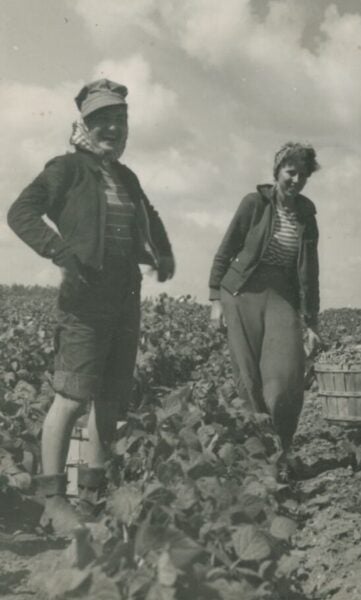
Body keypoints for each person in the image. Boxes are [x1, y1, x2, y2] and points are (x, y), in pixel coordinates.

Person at [7, 79, 175, 533]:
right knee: (71, 395)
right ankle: (53, 499)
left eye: (119, 122)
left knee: (110, 399)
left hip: (124, 296)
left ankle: (92, 497)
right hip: (84, 300)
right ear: (84, 124)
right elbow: (20, 212)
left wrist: (164, 252)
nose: (112, 130)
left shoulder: (126, 176)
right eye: (102, 121)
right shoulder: (66, 169)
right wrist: (59, 251)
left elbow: (150, 215)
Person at [208, 142, 321, 480]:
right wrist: (215, 299)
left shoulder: (307, 215)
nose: (296, 180)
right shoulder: (254, 203)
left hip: (281, 296)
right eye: (291, 171)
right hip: (241, 292)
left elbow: (310, 273)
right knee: (248, 378)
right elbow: (225, 250)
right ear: (277, 171)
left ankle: (282, 449)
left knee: (286, 378)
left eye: (303, 174)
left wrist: (311, 321)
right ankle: (260, 460)